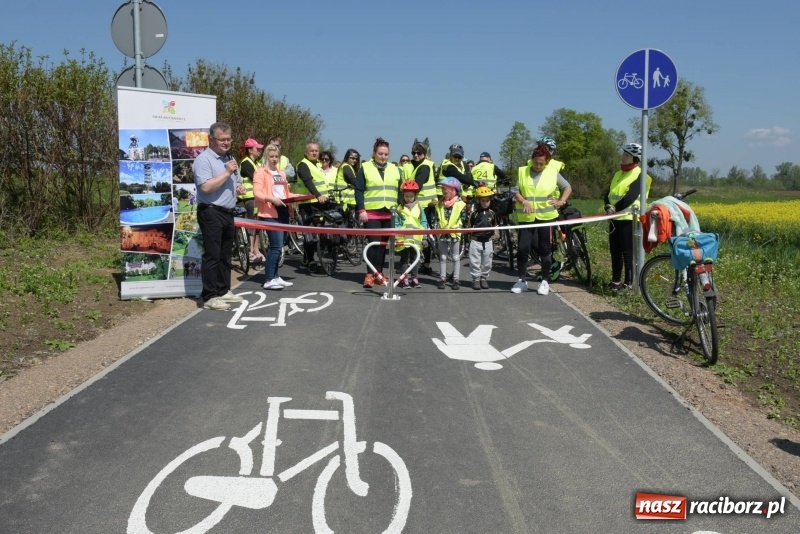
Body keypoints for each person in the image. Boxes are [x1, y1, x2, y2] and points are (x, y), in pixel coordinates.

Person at [192, 122, 246, 310]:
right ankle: (209, 296)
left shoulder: (229, 158)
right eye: (222, 139)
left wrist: (238, 186)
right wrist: (227, 172)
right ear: (211, 139)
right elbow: (206, 188)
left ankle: (223, 290)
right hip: (211, 211)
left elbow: (236, 180)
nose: (226, 143)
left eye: (228, 139)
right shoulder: (203, 160)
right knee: (212, 255)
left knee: (225, 255)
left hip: (228, 212)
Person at [511, 142, 572, 296]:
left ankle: (545, 281)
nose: (538, 165)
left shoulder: (552, 172)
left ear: (546, 162)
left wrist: (561, 202)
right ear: (531, 159)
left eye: (541, 163)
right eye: (536, 162)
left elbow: (567, 187)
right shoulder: (522, 171)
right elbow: (515, 191)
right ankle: (521, 280)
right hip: (526, 216)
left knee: (545, 250)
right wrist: (523, 201)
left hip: (546, 216)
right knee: (523, 248)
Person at [604, 142, 652, 291]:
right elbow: (609, 193)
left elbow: (630, 197)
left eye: (626, 155)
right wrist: (607, 205)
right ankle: (616, 281)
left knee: (627, 252)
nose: (623, 157)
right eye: (623, 154)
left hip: (629, 218)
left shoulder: (642, 175)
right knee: (615, 251)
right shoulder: (618, 173)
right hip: (615, 218)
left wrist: (615, 208)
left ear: (634, 158)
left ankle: (629, 282)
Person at [355, 137, 400, 288]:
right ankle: (369, 274)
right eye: (380, 153)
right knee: (373, 244)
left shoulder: (395, 169)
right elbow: (359, 190)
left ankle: (379, 274)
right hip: (371, 212)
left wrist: (400, 206)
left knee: (382, 245)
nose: (383, 157)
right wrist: (361, 209)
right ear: (374, 153)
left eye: (386, 154)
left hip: (390, 213)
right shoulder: (365, 168)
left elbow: (400, 191)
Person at [254, 143, 295, 290]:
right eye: (271, 156)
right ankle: (269, 278)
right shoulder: (260, 172)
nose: (274, 159)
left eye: (276, 156)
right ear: (266, 156)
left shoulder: (281, 173)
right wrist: (271, 199)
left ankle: (276, 276)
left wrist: (293, 204)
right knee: (276, 246)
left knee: (280, 246)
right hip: (270, 212)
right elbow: (257, 193)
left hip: (283, 210)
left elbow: (286, 193)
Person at [293, 142, 329, 271]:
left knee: (320, 232)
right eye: (311, 151)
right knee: (309, 234)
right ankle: (309, 260)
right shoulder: (303, 165)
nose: (314, 153)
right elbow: (308, 181)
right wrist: (317, 195)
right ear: (306, 152)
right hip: (307, 203)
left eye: (316, 151)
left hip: (320, 203)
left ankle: (309, 257)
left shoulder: (318, 165)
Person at [407, 142, 436, 275]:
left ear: (425, 153)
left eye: (419, 153)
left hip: (425, 205)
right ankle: (418, 260)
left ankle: (426, 263)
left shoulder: (425, 166)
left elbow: (417, 184)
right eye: (414, 153)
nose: (416, 155)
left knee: (423, 235)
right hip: (417, 204)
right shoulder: (412, 165)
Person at [394, 180, 428, 288]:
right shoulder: (399, 208)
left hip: (416, 238)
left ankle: (415, 278)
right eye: (406, 196)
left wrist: (425, 237)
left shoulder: (420, 208)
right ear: (403, 195)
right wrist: (396, 236)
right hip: (404, 238)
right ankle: (405, 278)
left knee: (415, 259)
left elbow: (423, 223)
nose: (408, 198)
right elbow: (396, 223)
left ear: (415, 196)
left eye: (411, 196)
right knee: (404, 259)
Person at [435, 177, 467, 290]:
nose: (444, 192)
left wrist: (458, 227)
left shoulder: (460, 204)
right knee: (443, 257)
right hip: (443, 232)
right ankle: (442, 278)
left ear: (454, 191)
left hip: (454, 233)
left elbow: (463, 218)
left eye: (446, 190)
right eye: (443, 190)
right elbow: (437, 217)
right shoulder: (440, 204)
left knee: (455, 256)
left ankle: (456, 279)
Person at [237, 137, 265, 263]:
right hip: (249, 197)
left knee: (258, 224)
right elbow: (257, 179)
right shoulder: (246, 163)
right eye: (257, 148)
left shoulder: (257, 163)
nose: (259, 150)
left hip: (258, 197)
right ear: (250, 150)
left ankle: (256, 249)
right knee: (251, 224)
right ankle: (250, 251)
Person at [467, 186, 499, 290]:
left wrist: (495, 235)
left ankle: (483, 278)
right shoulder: (474, 213)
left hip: (488, 241)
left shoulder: (493, 214)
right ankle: (476, 278)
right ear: (478, 201)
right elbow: (469, 226)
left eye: (487, 201)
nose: (485, 203)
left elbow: (495, 226)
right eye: (483, 201)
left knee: (487, 262)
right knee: (474, 261)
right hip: (476, 241)